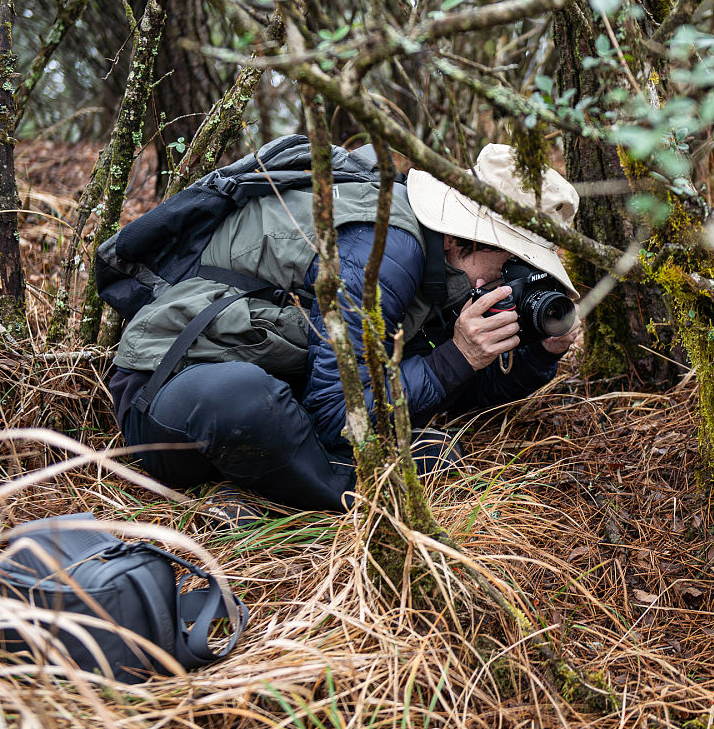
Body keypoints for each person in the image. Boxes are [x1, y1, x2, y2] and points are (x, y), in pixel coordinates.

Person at [107, 142, 581, 512]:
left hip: (283, 393)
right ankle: (343, 492)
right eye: (513, 263)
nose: (510, 281)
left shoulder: (445, 271)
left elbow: (449, 389)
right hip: (167, 401)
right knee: (244, 397)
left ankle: (263, 486)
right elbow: (339, 412)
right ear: (468, 238)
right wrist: (454, 357)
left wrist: (538, 354)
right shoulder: (386, 249)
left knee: (423, 445)